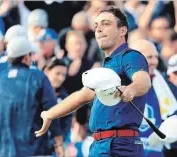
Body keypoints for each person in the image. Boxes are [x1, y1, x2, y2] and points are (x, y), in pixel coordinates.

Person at [35, 6, 151, 157]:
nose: (99, 29)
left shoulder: (129, 56)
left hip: (119, 145)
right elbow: (81, 96)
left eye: (106, 24)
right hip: (102, 144)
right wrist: (49, 114)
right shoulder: (109, 64)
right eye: (96, 25)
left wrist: (131, 89)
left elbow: (143, 81)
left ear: (123, 30)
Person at [0, 36, 64, 157]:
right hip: (34, 150)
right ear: (26, 57)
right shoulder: (38, 77)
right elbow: (51, 111)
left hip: (2, 151)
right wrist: (59, 143)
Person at [130, 39, 177, 157]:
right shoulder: (117, 85)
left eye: (156, 57)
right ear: (133, 58)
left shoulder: (171, 90)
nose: (154, 61)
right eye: (149, 57)